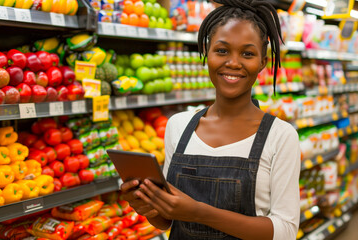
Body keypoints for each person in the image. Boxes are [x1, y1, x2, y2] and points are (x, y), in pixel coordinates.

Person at [121, 0, 301, 239]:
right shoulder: (178, 125)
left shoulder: (280, 136)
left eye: (247, 53)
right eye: (222, 50)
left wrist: (199, 212)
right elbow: (166, 221)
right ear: (207, 53)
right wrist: (147, 204)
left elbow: (286, 231)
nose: (233, 63)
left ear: (262, 63)